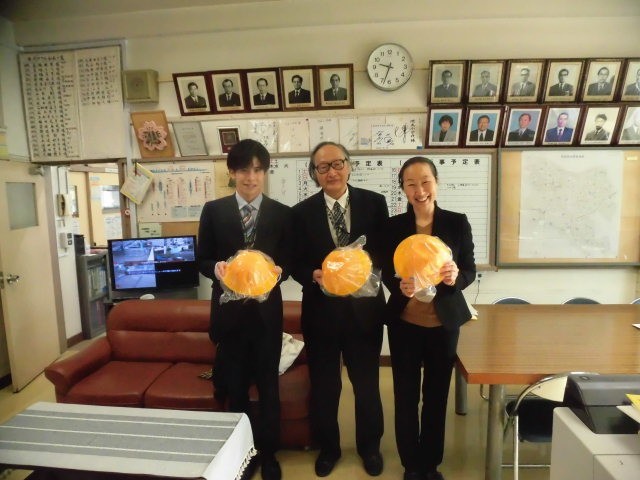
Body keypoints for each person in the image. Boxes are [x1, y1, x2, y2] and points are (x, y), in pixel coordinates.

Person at [197, 139, 292, 480]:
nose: (251, 177)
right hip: (230, 316)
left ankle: (270, 454)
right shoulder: (214, 210)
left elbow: (289, 260)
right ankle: (241, 455)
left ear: (265, 173)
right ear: (232, 172)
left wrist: (281, 271)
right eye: (243, 170)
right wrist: (217, 268)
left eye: (257, 170)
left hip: (267, 317)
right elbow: (203, 259)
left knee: (268, 387)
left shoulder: (282, 213)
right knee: (235, 389)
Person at [292, 141, 388, 478]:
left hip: (365, 313)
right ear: (314, 173)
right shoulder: (300, 213)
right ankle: (328, 448)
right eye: (323, 167)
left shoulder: (374, 203)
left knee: (367, 385)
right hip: (321, 314)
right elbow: (294, 262)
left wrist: (366, 267)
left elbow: (384, 251)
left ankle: (370, 448)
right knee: (325, 387)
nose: (331, 172)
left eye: (337, 164)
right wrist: (312, 274)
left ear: (349, 166)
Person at [381, 156, 476, 480]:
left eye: (425, 182)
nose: (419, 190)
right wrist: (399, 284)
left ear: (436, 183)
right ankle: (411, 464)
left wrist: (456, 277)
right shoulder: (393, 226)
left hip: (443, 325)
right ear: (403, 189)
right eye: (411, 184)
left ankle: (431, 463)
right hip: (405, 324)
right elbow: (387, 271)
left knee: (436, 397)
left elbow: (469, 270)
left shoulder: (457, 223)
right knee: (405, 396)